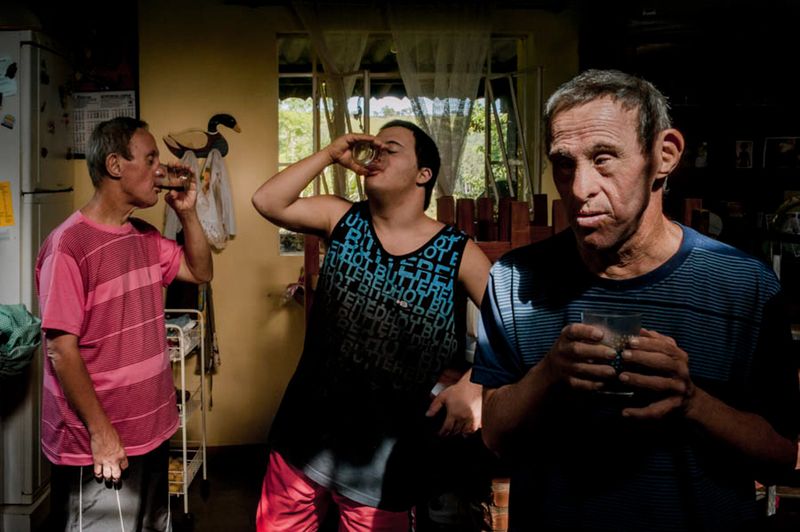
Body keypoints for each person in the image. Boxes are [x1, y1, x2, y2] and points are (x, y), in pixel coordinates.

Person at [472, 69, 800, 531]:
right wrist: (549, 374)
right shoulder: (513, 279)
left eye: (604, 158)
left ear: (664, 155)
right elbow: (496, 436)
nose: (580, 187)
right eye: (564, 163)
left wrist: (692, 402)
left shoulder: (745, 287)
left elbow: (783, 456)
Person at [252, 120, 491, 530]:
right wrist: (330, 153)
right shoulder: (340, 217)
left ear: (423, 174)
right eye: (374, 149)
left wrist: (474, 384)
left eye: (391, 148)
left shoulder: (458, 252)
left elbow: (511, 328)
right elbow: (267, 200)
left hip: (385, 464)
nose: (376, 155)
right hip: (302, 440)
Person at [36, 117, 213, 531]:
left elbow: (200, 270)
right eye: (150, 159)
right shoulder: (69, 244)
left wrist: (188, 213)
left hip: (151, 429)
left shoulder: (144, 236)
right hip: (100, 441)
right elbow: (61, 350)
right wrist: (103, 435)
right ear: (115, 165)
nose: (160, 170)